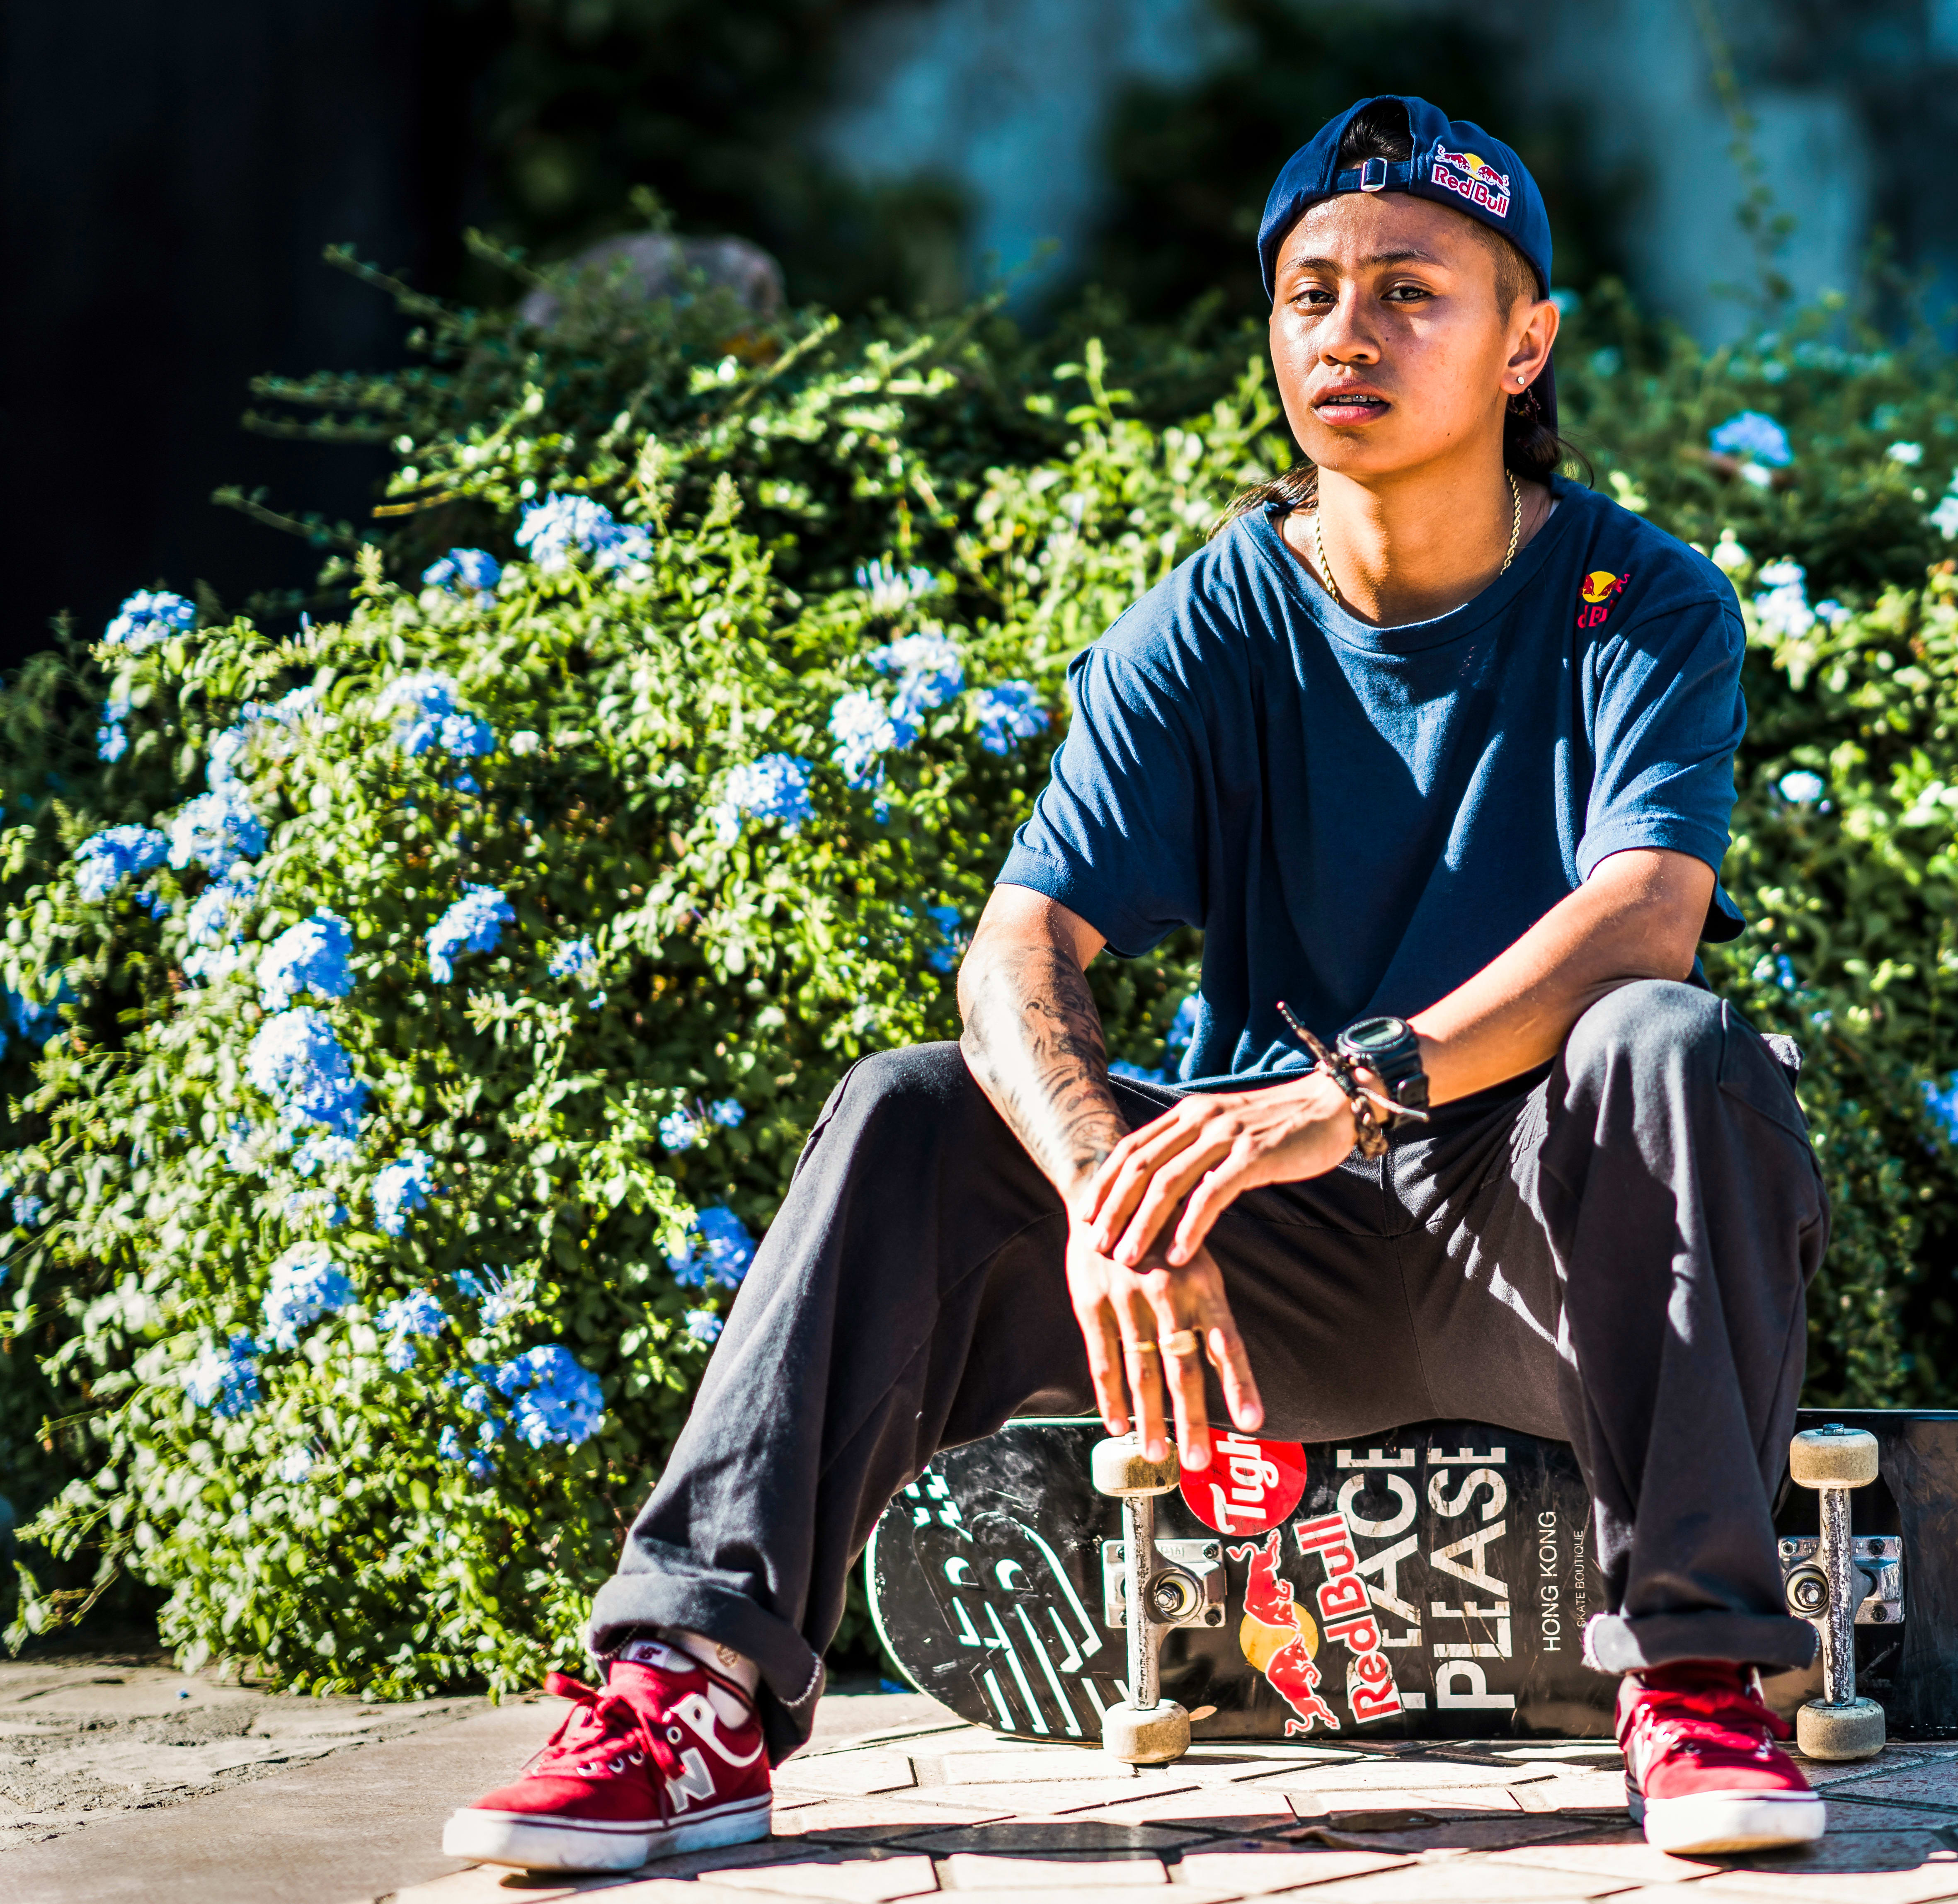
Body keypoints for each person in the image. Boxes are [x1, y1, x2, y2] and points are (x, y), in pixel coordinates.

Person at [442, 93, 1832, 1873]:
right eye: (1312, 293)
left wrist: (1348, 1094)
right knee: (913, 1111)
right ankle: (688, 1693)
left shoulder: (1640, 602)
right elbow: (1017, 948)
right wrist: (1111, 1184)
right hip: (1250, 1281)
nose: (1348, 332)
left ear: (1524, 344)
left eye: (1411, 292)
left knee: (1669, 1044)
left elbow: (1646, 914)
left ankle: (1700, 1674)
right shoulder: (1213, 618)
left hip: (1539, 1248)